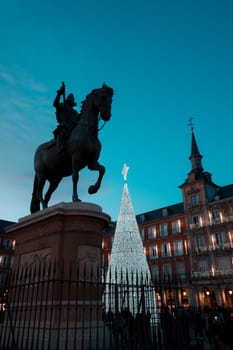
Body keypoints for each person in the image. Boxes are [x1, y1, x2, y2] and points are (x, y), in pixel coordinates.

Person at [53, 82, 80, 153]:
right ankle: (59, 147)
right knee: (62, 133)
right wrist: (59, 94)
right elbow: (55, 104)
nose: (71, 100)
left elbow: (78, 120)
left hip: (73, 127)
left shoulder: (75, 112)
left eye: (72, 99)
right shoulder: (63, 105)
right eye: (70, 98)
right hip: (64, 125)